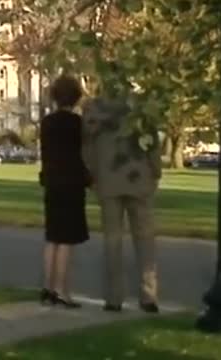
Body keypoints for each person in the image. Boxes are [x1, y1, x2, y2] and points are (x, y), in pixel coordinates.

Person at [82, 97, 162, 314]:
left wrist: (92, 175)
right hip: (139, 177)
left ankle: (114, 297)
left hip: (108, 179)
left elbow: (87, 147)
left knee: (113, 240)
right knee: (145, 239)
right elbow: (152, 142)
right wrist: (156, 171)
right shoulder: (141, 106)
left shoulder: (94, 109)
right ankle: (149, 295)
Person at [38, 75, 91, 308]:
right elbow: (81, 155)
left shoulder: (47, 122)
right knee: (66, 239)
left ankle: (49, 288)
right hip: (71, 184)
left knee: (53, 237)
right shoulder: (77, 124)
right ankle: (61, 290)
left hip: (52, 182)